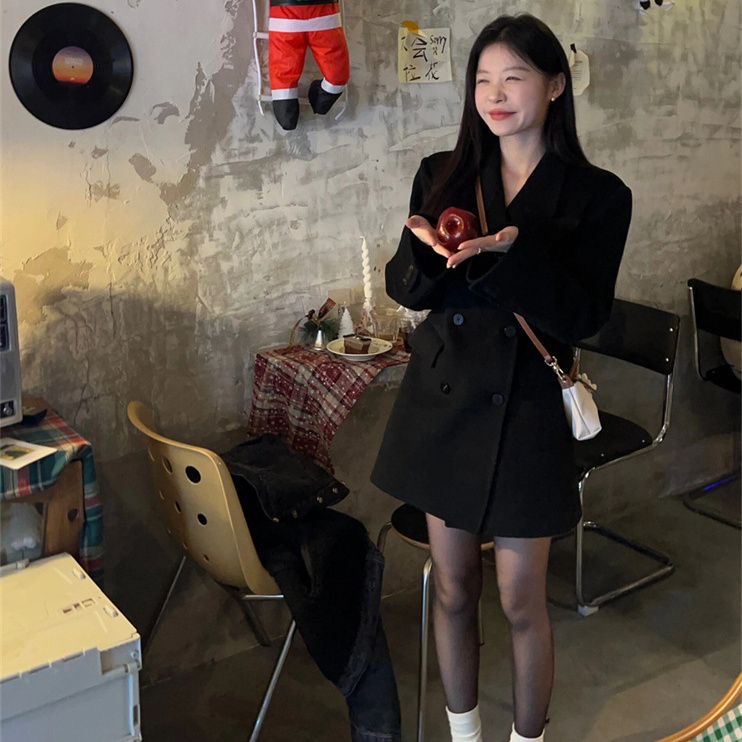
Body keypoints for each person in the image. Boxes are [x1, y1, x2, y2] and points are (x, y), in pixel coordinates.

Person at [371, 14, 632, 742]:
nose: (495, 94)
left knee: (521, 598)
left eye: (514, 77)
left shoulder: (600, 195)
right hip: (445, 399)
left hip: (527, 407)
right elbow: (406, 288)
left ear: (555, 86)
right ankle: (464, 735)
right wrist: (424, 256)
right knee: (454, 587)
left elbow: (585, 315)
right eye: (483, 79)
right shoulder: (442, 173)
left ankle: (527, 737)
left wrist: (512, 258)